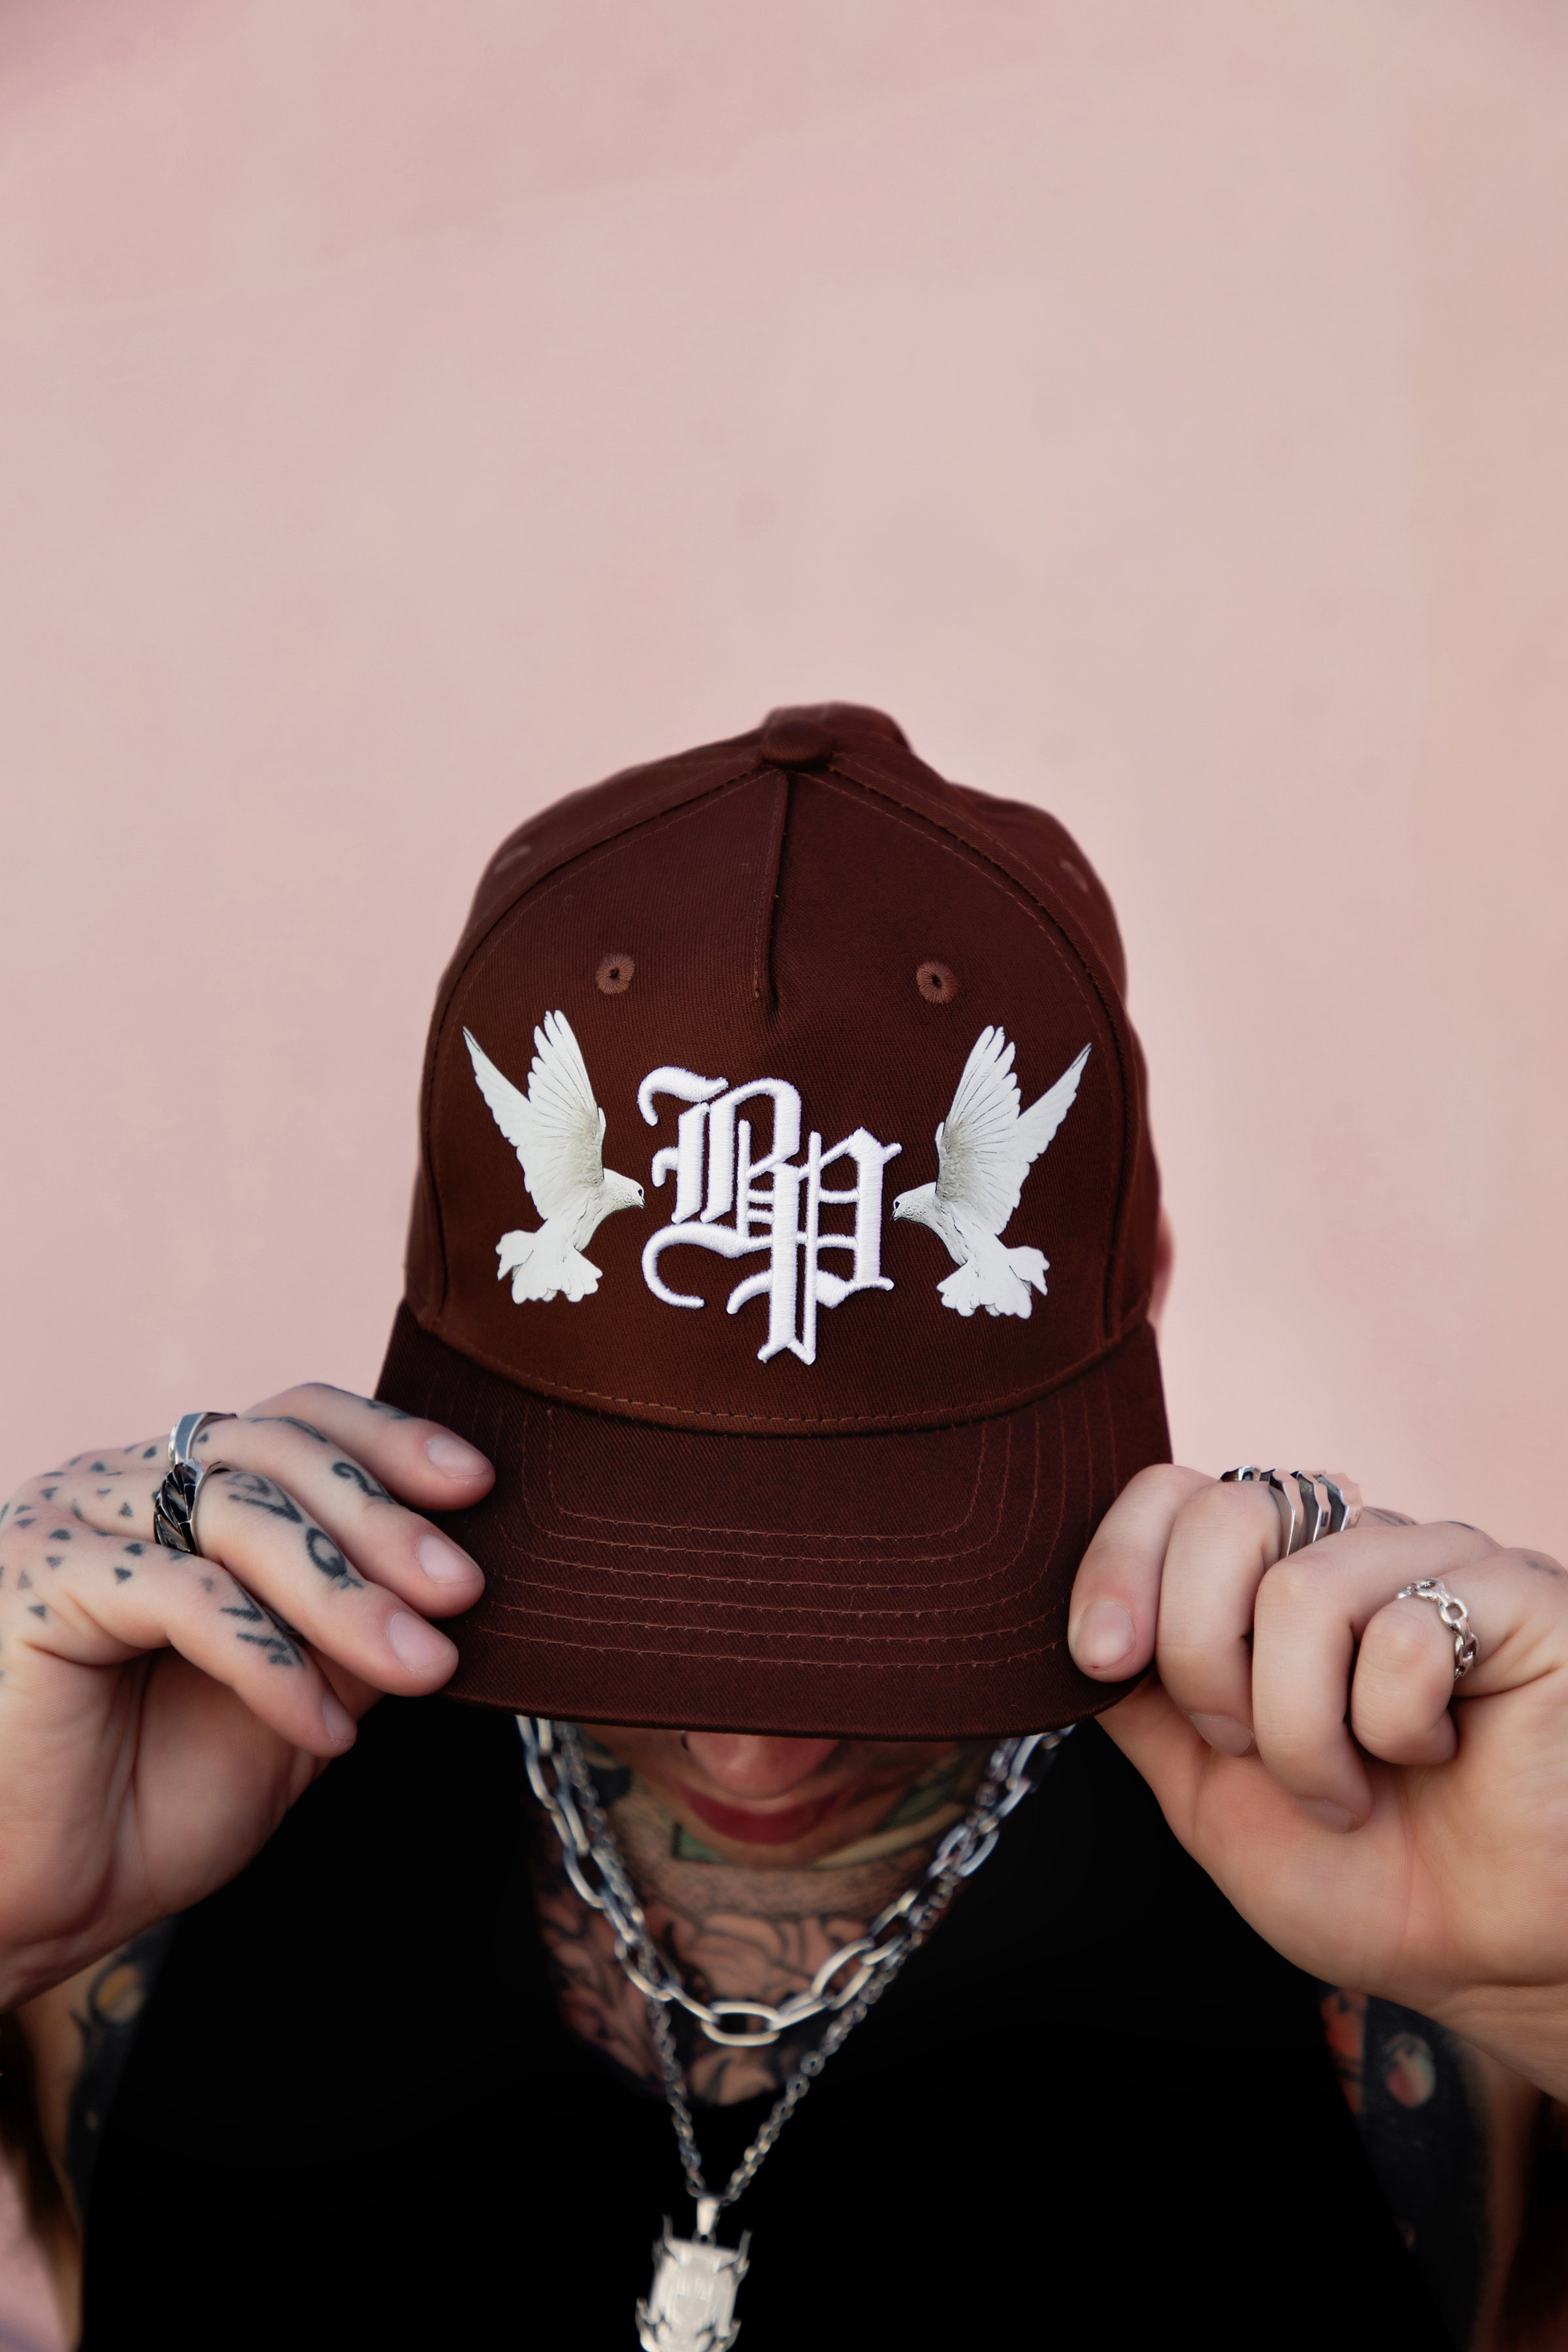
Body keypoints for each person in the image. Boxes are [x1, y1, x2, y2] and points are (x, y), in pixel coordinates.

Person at [1, 706, 1565, 2351]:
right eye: (629, 1566)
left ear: (1143, 1278)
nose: (754, 1744)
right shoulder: (160, 1808)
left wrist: (1551, 1991)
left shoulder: (1395, 1890)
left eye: (884, 1563)